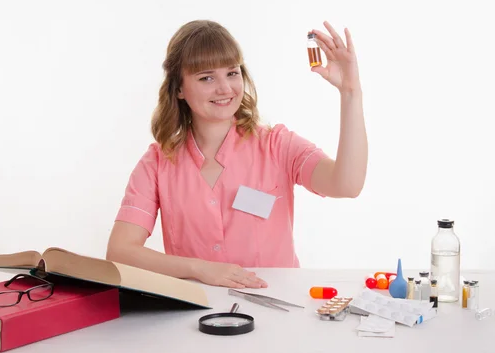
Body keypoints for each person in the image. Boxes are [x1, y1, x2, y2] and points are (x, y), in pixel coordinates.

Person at [106, 19, 367, 289]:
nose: (225, 88)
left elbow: (347, 184)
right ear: (179, 88)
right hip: (197, 316)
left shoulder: (277, 145)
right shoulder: (157, 163)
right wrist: (198, 268)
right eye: (207, 77)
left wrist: (350, 93)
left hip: (278, 307)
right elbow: (120, 252)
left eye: (232, 73)